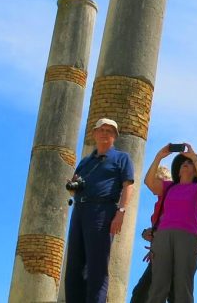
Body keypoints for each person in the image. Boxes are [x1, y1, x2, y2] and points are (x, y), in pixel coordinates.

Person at [64, 118, 135, 303]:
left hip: (103, 211)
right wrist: (73, 185)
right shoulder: (85, 162)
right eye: (101, 130)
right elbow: (74, 187)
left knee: (97, 266)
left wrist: (121, 212)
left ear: (115, 136)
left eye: (109, 131)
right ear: (94, 134)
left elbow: (128, 186)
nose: (105, 133)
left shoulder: (122, 158)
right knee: (74, 265)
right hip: (80, 210)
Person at [143, 143, 197, 303]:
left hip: (188, 236)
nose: (186, 164)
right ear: (178, 171)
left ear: (195, 171)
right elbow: (149, 182)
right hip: (163, 236)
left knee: (183, 286)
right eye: (183, 164)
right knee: (158, 285)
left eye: (190, 164)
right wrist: (159, 156)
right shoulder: (169, 187)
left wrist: (194, 157)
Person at [131, 165, 173, 303]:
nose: (150, 188)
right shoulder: (160, 201)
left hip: (171, 253)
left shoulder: (172, 193)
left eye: (153, 182)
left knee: (142, 293)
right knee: (144, 293)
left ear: (162, 180)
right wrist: (148, 234)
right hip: (160, 253)